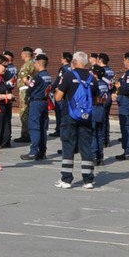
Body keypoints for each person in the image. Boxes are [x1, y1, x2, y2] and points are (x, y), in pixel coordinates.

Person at [54, 51, 96, 188]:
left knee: (68, 145)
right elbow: (97, 99)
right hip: (86, 117)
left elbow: (58, 97)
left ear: (74, 62)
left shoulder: (69, 75)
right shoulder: (92, 78)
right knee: (86, 146)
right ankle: (88, 180)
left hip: (69, 115)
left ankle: (66, 179)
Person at [19, 53, 53, 161]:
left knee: (34, 127)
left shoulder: (37, 77)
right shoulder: (48, 76)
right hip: (44, 102)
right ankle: (42, 152)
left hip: (36, 103)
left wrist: (28, 84)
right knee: (43, 128)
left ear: (38, 63)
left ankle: (33, 151)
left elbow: (29, 90)